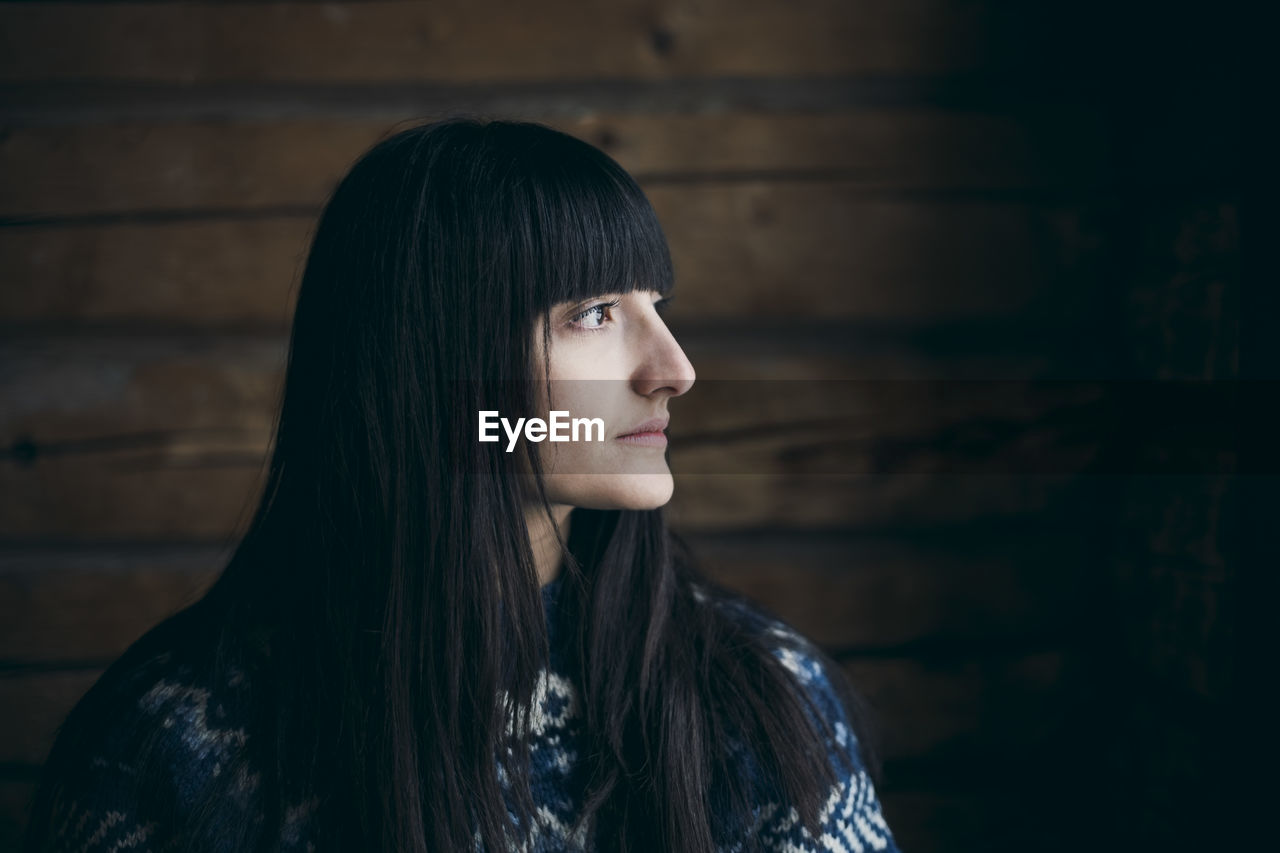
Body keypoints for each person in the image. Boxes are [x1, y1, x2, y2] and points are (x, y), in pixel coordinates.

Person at [22, 116, 901, 853]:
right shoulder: (175, 743)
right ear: (436, 362)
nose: (674, 368)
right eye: (593, 314)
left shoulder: (756, 697)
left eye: (655, 307)